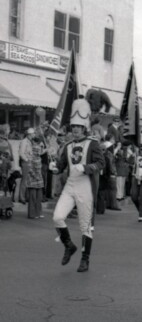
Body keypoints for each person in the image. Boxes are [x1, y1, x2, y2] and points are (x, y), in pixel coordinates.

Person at [50, 98, 105, 273]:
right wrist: (55, 168)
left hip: (85, 186)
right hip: (70, 186)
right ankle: (68, 246)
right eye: (73, 127)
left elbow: (101, 163)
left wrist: (87, 167)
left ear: (83, 128)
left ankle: (85, 259)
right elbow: (61, 166)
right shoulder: (66, 145)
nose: (75, 130)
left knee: (85, 226)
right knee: (57, 217)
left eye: (78, 127)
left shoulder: (93, 143)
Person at [27, 137, 45, 219]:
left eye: (38, 150)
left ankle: (38, 212)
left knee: (39, 197)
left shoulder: (39, 158)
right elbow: (30, 169)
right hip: (33, 179)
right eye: (36, 150)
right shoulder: (31, 157)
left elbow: (44, 151)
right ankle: (32, 214)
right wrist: (35, 176)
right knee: (33, 197)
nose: (38, 151)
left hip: (39, 179)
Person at [18, 128, 35, 203]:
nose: (33, 136)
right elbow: (21, 153)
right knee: (24, 180)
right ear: (28, 134)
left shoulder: (30, 142)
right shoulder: (24, 142)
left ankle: (26, 196)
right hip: (26, 162)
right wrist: (27, 160)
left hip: (30, 162)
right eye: (32, 134)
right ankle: (22, 197)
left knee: (29, 180)